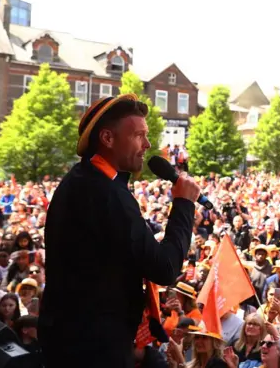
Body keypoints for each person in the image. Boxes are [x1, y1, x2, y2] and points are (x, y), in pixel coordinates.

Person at [38, 94, 200, 367]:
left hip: (76, 340)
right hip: (94, 349)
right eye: (138, 135)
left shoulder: (81, 180)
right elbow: (165, 268)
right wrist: (184, 204)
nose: (147, 145)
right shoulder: (106, 193)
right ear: (107, 138)